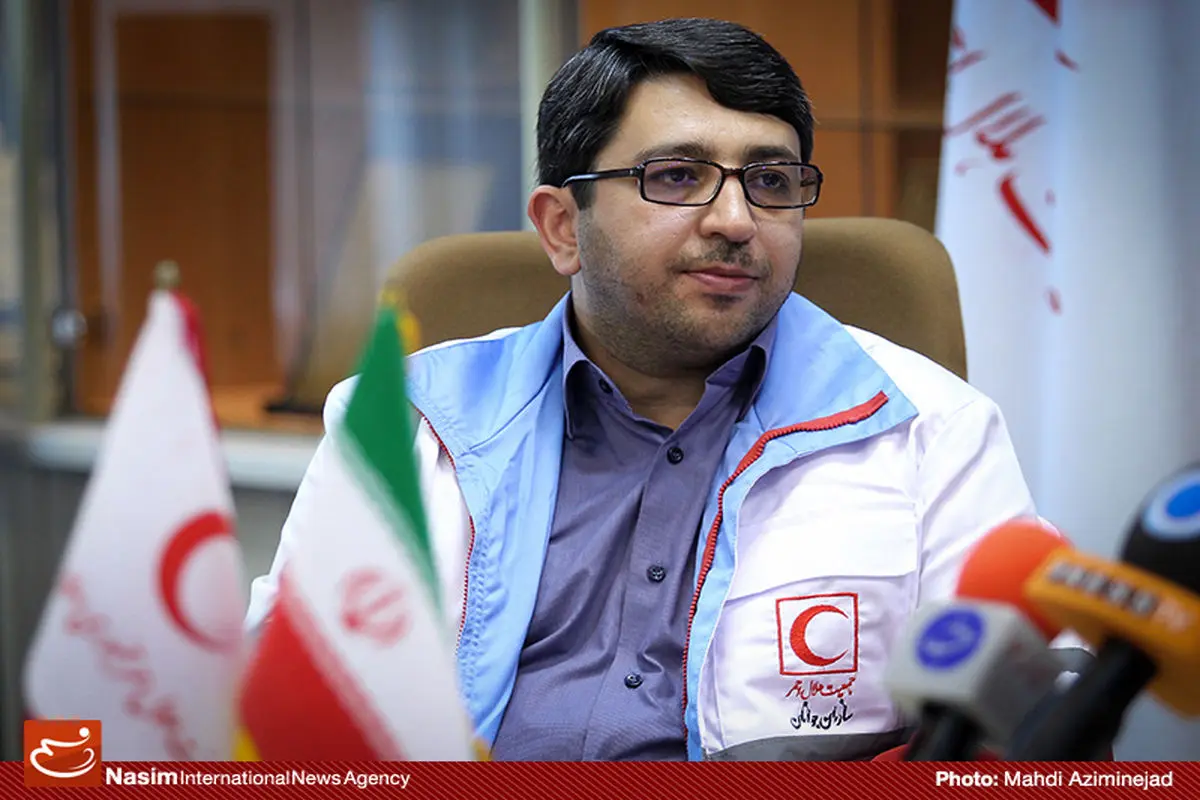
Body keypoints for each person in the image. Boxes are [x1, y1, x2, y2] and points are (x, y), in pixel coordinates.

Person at [245, 17, 1044, 761]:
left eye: (770, 180)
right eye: (678, 176)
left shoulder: (933, 429)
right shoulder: (404, 419)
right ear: (563, 226)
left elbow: (1021, 728)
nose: (736, 219)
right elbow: (286, 699)